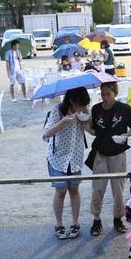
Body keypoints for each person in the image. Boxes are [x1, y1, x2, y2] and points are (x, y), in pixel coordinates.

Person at [87, 82, 131, 236]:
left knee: (118, 190)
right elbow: (95, 131)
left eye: (108, 94)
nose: (105, 97)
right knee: (97, 189)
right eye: (102, 94)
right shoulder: (96, 109)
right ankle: (96, 220)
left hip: (118, 153)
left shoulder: (124, 109)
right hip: (100, 153)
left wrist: (125, 136)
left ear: (115, 93)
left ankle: (118, 219)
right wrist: (86, 128)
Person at [43, 87, 91, 240]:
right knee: (61, 191)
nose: (83, 107)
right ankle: (59, 225)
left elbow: (92, 130)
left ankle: (75, 224)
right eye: (81, 104)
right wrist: (63, 121)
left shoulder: (84, 112)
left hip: (75, 158)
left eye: (85, 105)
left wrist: (87, 125)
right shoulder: (58, 110)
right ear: (71, 101)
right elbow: (46, 133)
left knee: (74, 189)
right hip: (58, 158)